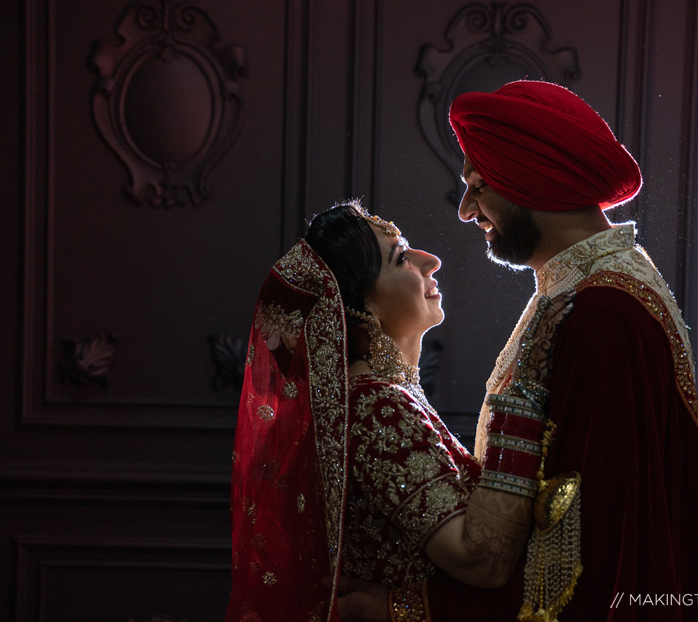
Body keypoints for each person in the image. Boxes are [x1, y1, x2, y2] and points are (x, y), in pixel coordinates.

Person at [343, 80, 698, 621]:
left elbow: (587, 554)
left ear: (532, 182)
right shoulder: (580, 293)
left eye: (478, 186)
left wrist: (406, 611)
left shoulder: (604, 315)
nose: (466, 210)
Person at [225, 200, 555, 622]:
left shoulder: (379, 397)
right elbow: (480, 560)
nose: (430, 261)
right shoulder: (376, 407)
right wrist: (524, 400)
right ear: (363, 312)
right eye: (401, 258)